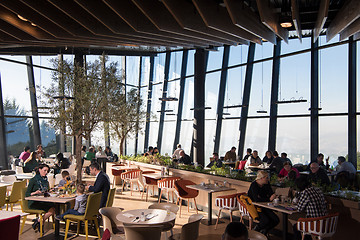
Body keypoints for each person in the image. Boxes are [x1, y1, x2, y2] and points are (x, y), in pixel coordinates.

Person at [248, 171, 279, 235]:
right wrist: (269, 199)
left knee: (276, 219)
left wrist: (274, 196)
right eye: (267, 178)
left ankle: (264, 231)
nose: (268, 179)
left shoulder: (266, 184)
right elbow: (256, 199)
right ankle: (255, 231)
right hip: (256, 207)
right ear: (261, 178)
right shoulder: (254, 185)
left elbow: (270, 193)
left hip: (265, 206)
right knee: (265, 220)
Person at [26, 164, 55, 233]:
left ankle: (39, 220)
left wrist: (50, 191)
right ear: (39, 170)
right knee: (53, 209)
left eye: (47, 171)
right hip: (34, 202)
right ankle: (40, 221)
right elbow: (27, 194)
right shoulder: (33, 180)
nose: (46, 172)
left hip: (42, 201)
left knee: (55, 207)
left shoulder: (45, 180)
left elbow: (46, 191)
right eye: (44, 170)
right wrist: (35, 192)